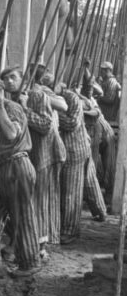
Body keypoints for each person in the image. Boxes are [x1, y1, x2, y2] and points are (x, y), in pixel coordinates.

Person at [2, 65, 66, 257]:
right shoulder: (9, 100)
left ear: (23, 78)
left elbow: (46, 125)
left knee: (40, 201)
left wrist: (25, 110)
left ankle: (40, 247)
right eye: (5, 79)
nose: (9, 82)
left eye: (13, 77)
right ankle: (25, 241)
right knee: (30, 200)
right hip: (33, 155)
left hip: (47, 154)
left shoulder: (36, 95)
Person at [0, 74, 41, 276]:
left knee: (21, 216)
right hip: (2, 169)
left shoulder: (11, 108)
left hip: (17, 168)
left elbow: (12, 134)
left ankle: (30, 262)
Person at [57, 83, 93, 242]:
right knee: (66, 191)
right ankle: (66, 228)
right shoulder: (60, 97)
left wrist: (54, 112)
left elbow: (73, 123)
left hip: (75, 150)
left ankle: (70, 231)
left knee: (71, 193)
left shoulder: (71, 97)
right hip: (68, 150)